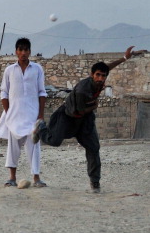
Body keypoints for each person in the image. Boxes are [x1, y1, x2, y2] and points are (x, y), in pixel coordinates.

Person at [32, 46, 140, 193]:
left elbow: (107, 67)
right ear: (91, 75)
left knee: (93, 147)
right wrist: (95, 106)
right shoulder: (83, 90)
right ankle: (41, 127)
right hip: (68, 116)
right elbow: (80, 110)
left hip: (84, 120)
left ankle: (95, 183)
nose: (101, 78)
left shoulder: (100, 78)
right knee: (54, 141)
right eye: (98, 75)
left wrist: (125, 58)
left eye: (103, 76)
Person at [0, 38, 47, 187]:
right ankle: (12, 178)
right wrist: (9, 111)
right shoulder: (9, 70)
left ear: (30, 51)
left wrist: (41, 115)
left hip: (32, 115)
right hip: (14, 117)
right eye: (20, 50)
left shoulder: (37, 69)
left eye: (26, 50)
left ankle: (36, 178)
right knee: (13, 147)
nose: (23, 53)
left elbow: (42, 92)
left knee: (34, 147)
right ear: (16, 51)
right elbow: (4, 93)